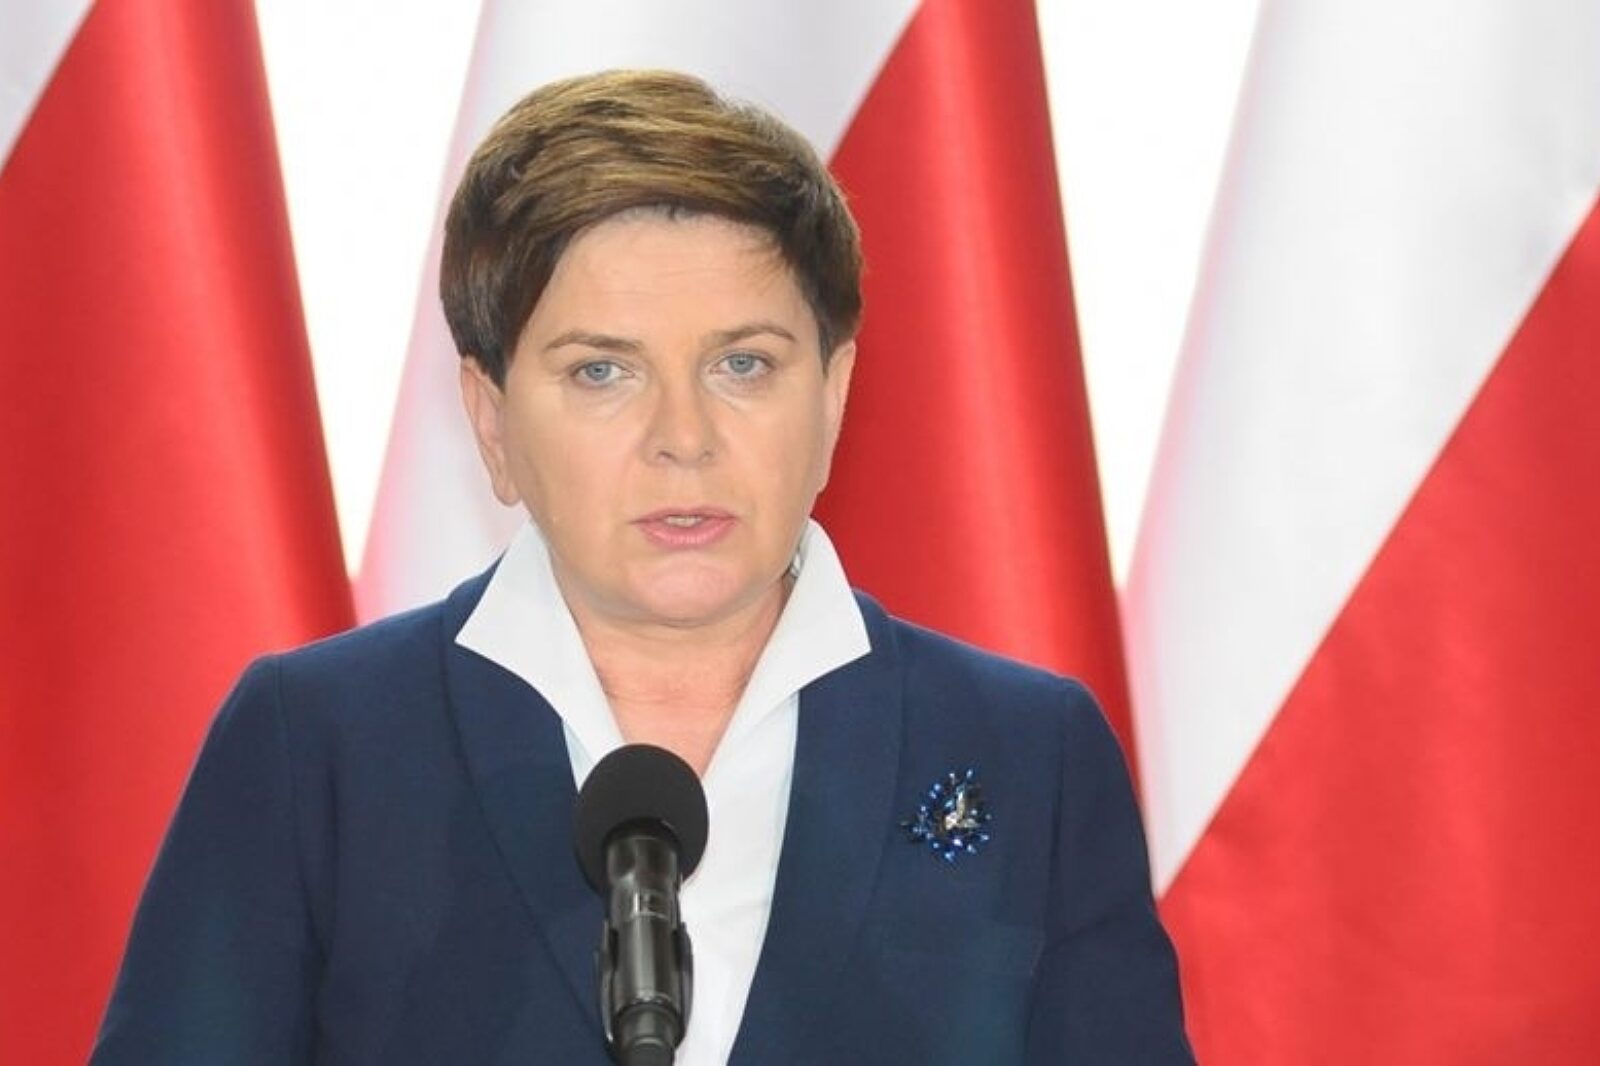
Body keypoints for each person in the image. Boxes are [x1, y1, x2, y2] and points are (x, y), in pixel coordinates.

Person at [91, 70, 1193, 1064]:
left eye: (743, 364)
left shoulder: (1027, 750)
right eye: (602, 371)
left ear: (831, 398)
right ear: (490, 420)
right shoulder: (318, 744)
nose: (684, 437)